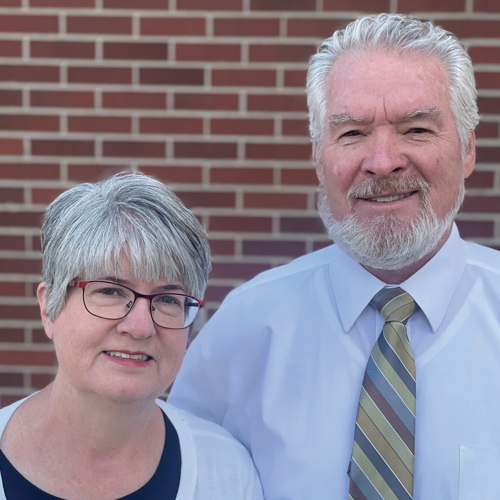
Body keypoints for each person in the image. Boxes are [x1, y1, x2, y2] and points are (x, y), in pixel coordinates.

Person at [169, 13, 500, 500]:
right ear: (319, 158)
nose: (383, 161)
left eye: (416, 129)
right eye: (352, 133)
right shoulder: (243, 331)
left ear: (468, 148)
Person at [0, 173, 263, 500]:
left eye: (167, 299)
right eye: (110, 291)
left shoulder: (227, 474)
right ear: (48, 308)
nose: (140, 327)